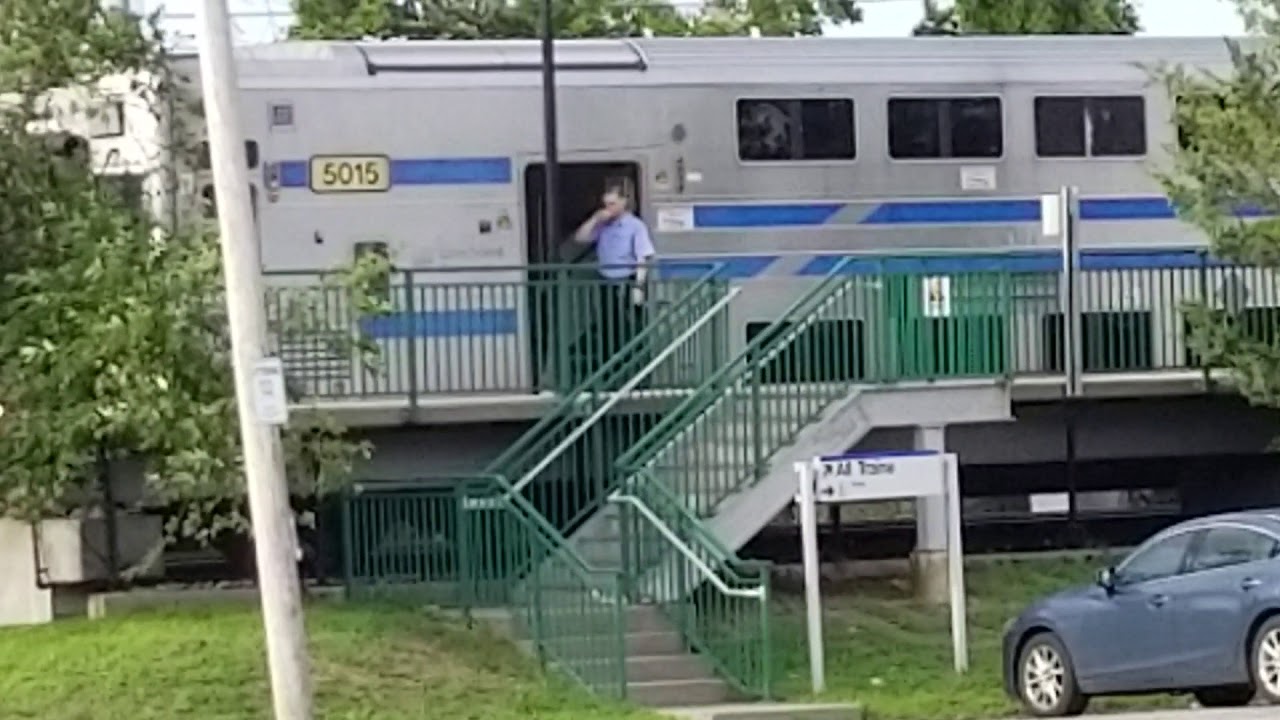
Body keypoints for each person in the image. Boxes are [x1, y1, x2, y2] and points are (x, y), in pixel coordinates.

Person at [573, 187, 656, 373]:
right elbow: (580, 238)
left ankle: (631, 369)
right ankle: (609, 368)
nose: (608, 208)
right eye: (606, 204)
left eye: (612, 204)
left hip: (626, 281)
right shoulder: (603, 225)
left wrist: (638, 287)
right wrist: (595, 219)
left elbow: (643, 257)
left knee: (627, 328)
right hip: (606, 281)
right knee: (607, 327)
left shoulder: (635, 226)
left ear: (623, 203)